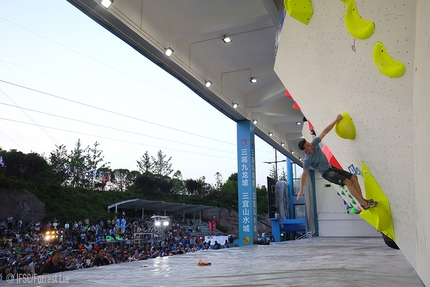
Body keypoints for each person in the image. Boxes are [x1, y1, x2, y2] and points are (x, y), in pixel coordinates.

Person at [297, 114, 377, 210]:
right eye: (308, 145)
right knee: (348, 182)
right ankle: (364, 204)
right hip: (327, 173)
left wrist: (336, 120)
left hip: (331, 168)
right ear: (305, 150)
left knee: (353, 177)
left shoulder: (314, 144)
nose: (310, 145)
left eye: (308, 143)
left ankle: (363, 200)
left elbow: (325, 132)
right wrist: (301, 189)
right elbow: (304, 175)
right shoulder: (307, 160)